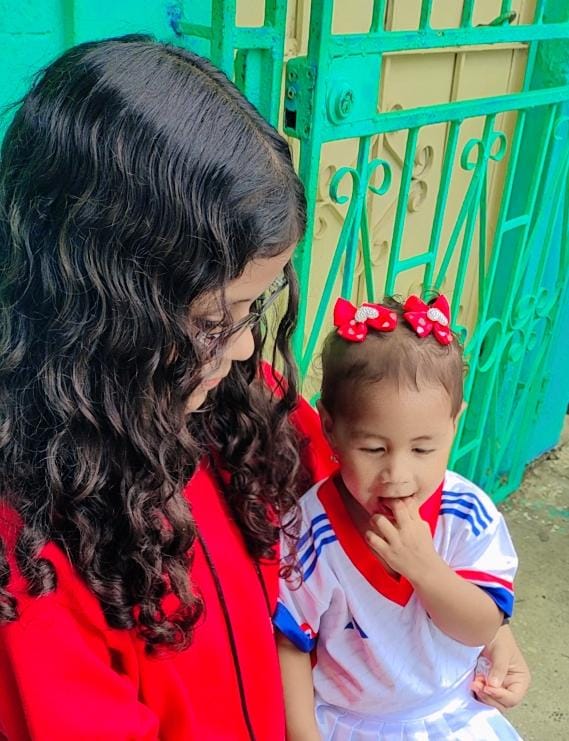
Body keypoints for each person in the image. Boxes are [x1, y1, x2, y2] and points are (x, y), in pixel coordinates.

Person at [0, 35, 528, 741]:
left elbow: (375, 512)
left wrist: (478, 624)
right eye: (212, 322)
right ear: (104, 312)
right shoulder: (33, 549)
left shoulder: (245, 402)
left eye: (254, 308)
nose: (247, 346)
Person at [275, 295, 523, 740]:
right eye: (373, 448)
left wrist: (425, 568)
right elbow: (291, 641)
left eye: (423, 449)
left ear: (454, 424)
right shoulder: (310, 531)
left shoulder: (466, 516)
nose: (398, 474)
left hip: (451, 716)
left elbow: (483, 626)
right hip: (351, 724)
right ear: (330, 427)